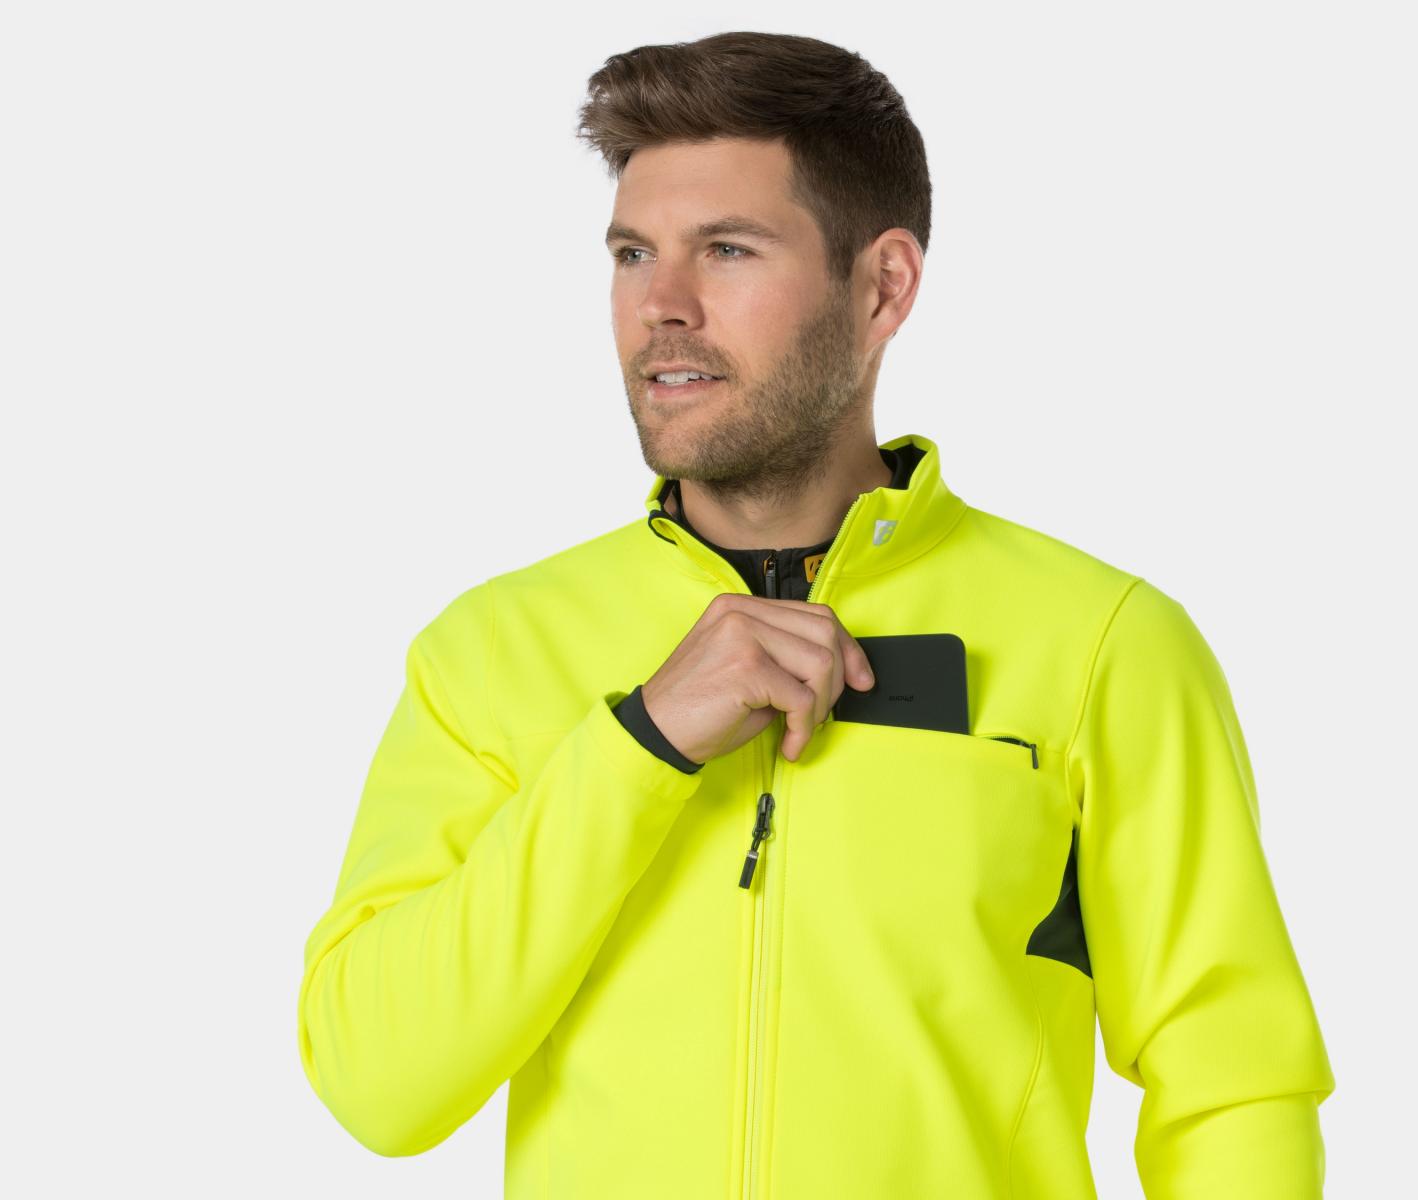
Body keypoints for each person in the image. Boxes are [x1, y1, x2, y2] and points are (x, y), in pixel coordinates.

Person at [296, 30, 1336, 1199]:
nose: (661, 307)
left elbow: (1233, 1084)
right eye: (633, 254)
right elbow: (376, 1084)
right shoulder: (491, 651)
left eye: (726, 250)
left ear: (881, 285)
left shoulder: (1102, 643)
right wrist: (643, 740)